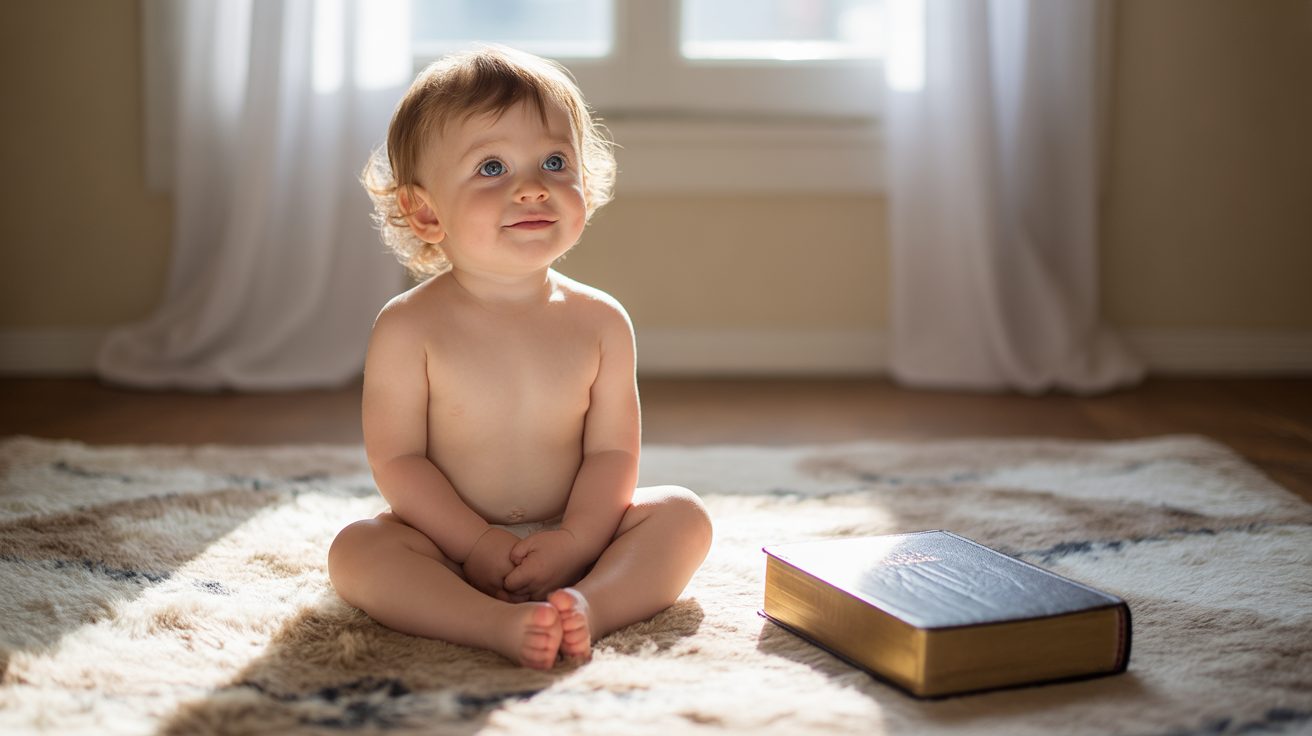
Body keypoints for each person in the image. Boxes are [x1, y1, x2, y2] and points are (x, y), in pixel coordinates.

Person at [327, 46, 713, 670]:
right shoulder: (408, 328)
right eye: (492, 168)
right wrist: (475, 542)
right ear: (425, 211)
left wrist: (576, 541)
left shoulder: (602, 323)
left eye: (555, 162)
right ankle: (489, 623)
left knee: (683, 516)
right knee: (357, 550)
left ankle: (590, 606)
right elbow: (399, 460)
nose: (533, 187)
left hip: (578, 534)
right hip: (449, 545)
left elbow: (612, 454)